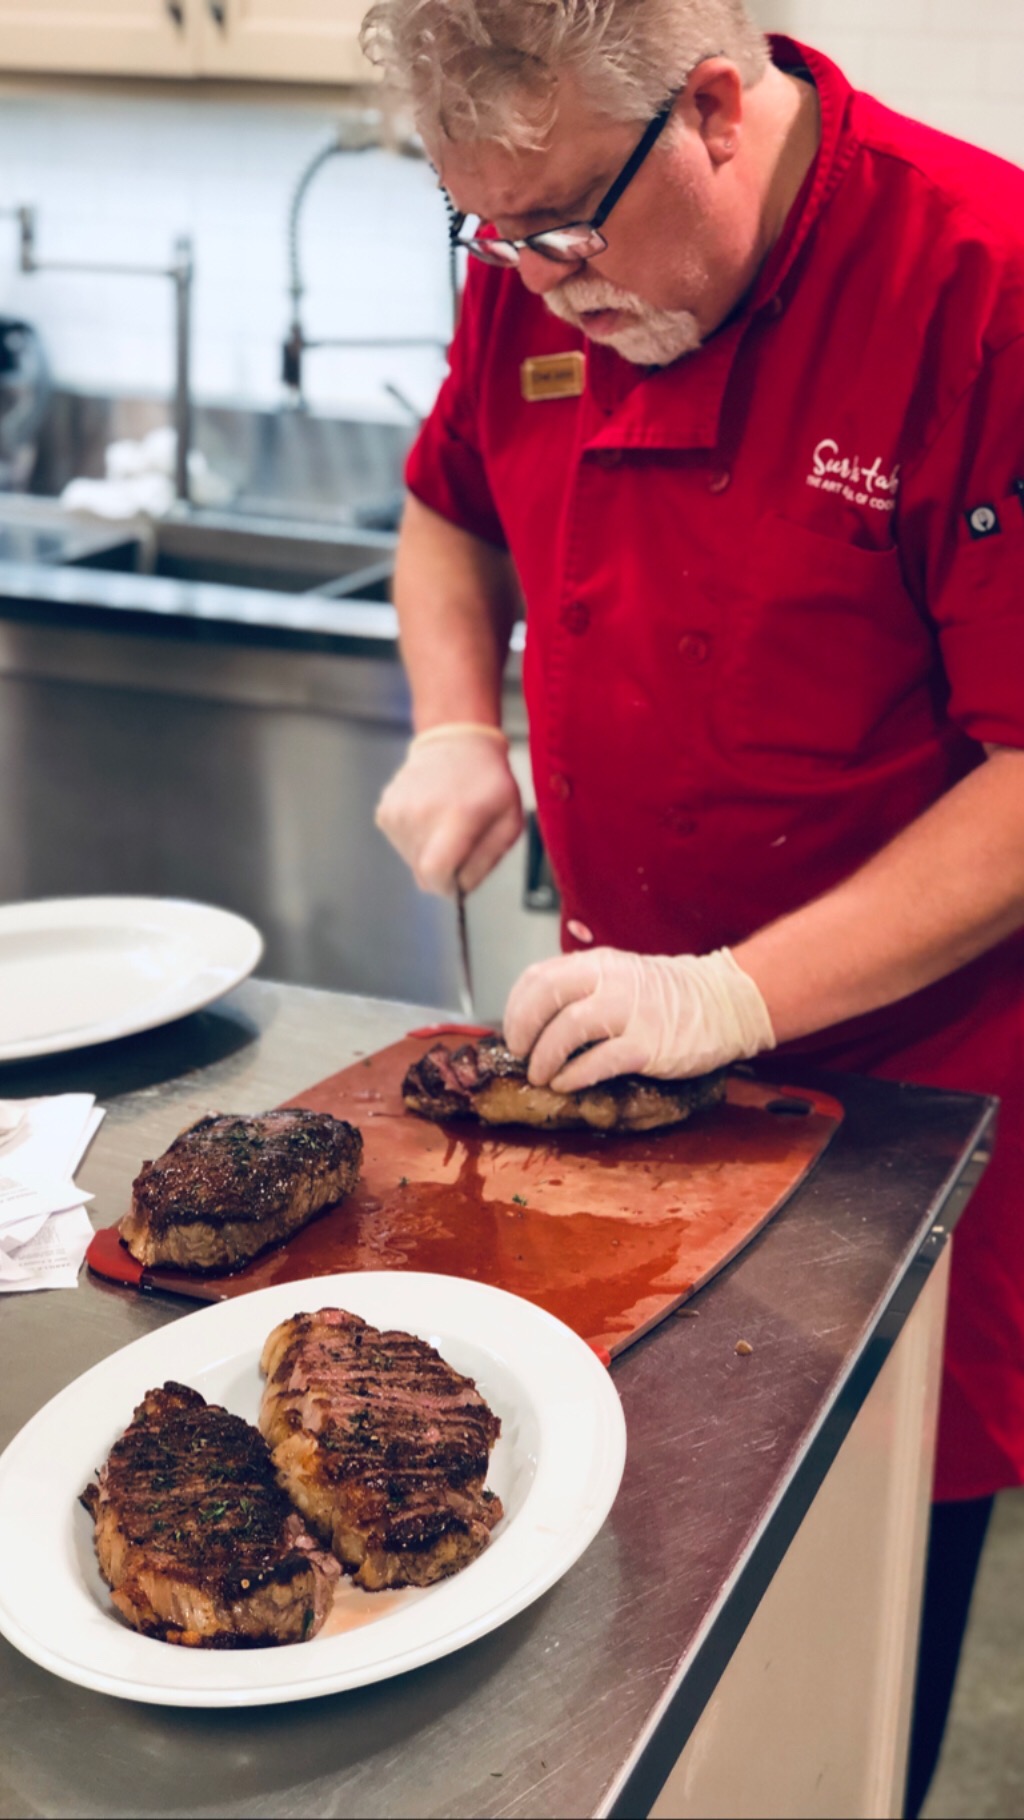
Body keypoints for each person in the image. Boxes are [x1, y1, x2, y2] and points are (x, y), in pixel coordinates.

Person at [362, 2, 1024, 1807]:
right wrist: (450, 719)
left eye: (558, 230)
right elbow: (447, 511)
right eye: (481, 231)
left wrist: (735, 996)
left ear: (716, 112)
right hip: (626, 1085)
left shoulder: (985, 286)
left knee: (835, 1636)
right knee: (601, 1578)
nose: (528, 280)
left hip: (916, 1114)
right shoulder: (545, 249)